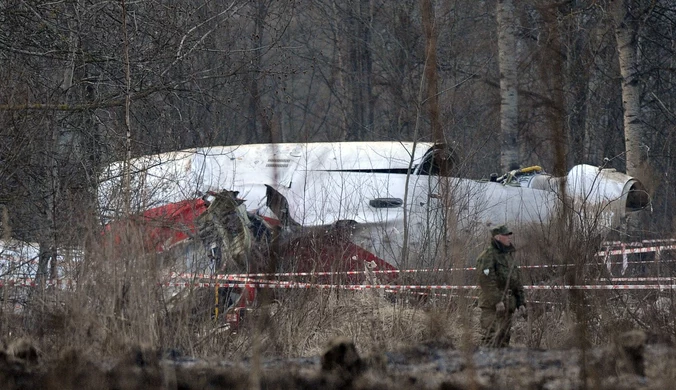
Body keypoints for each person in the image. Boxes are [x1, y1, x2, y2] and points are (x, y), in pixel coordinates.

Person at [475, 225, 526, 347]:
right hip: (492, 307)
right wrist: (497, 300)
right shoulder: (487, 256)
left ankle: (501, 365)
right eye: (506, 235)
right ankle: (486, 365)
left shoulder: (508, 257)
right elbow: (486, 281)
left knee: (504, 339)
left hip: (508, 305)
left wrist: (521, 301)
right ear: (498, 238)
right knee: (491, 338)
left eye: (509, 235)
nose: (509, 238)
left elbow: (515, 280)